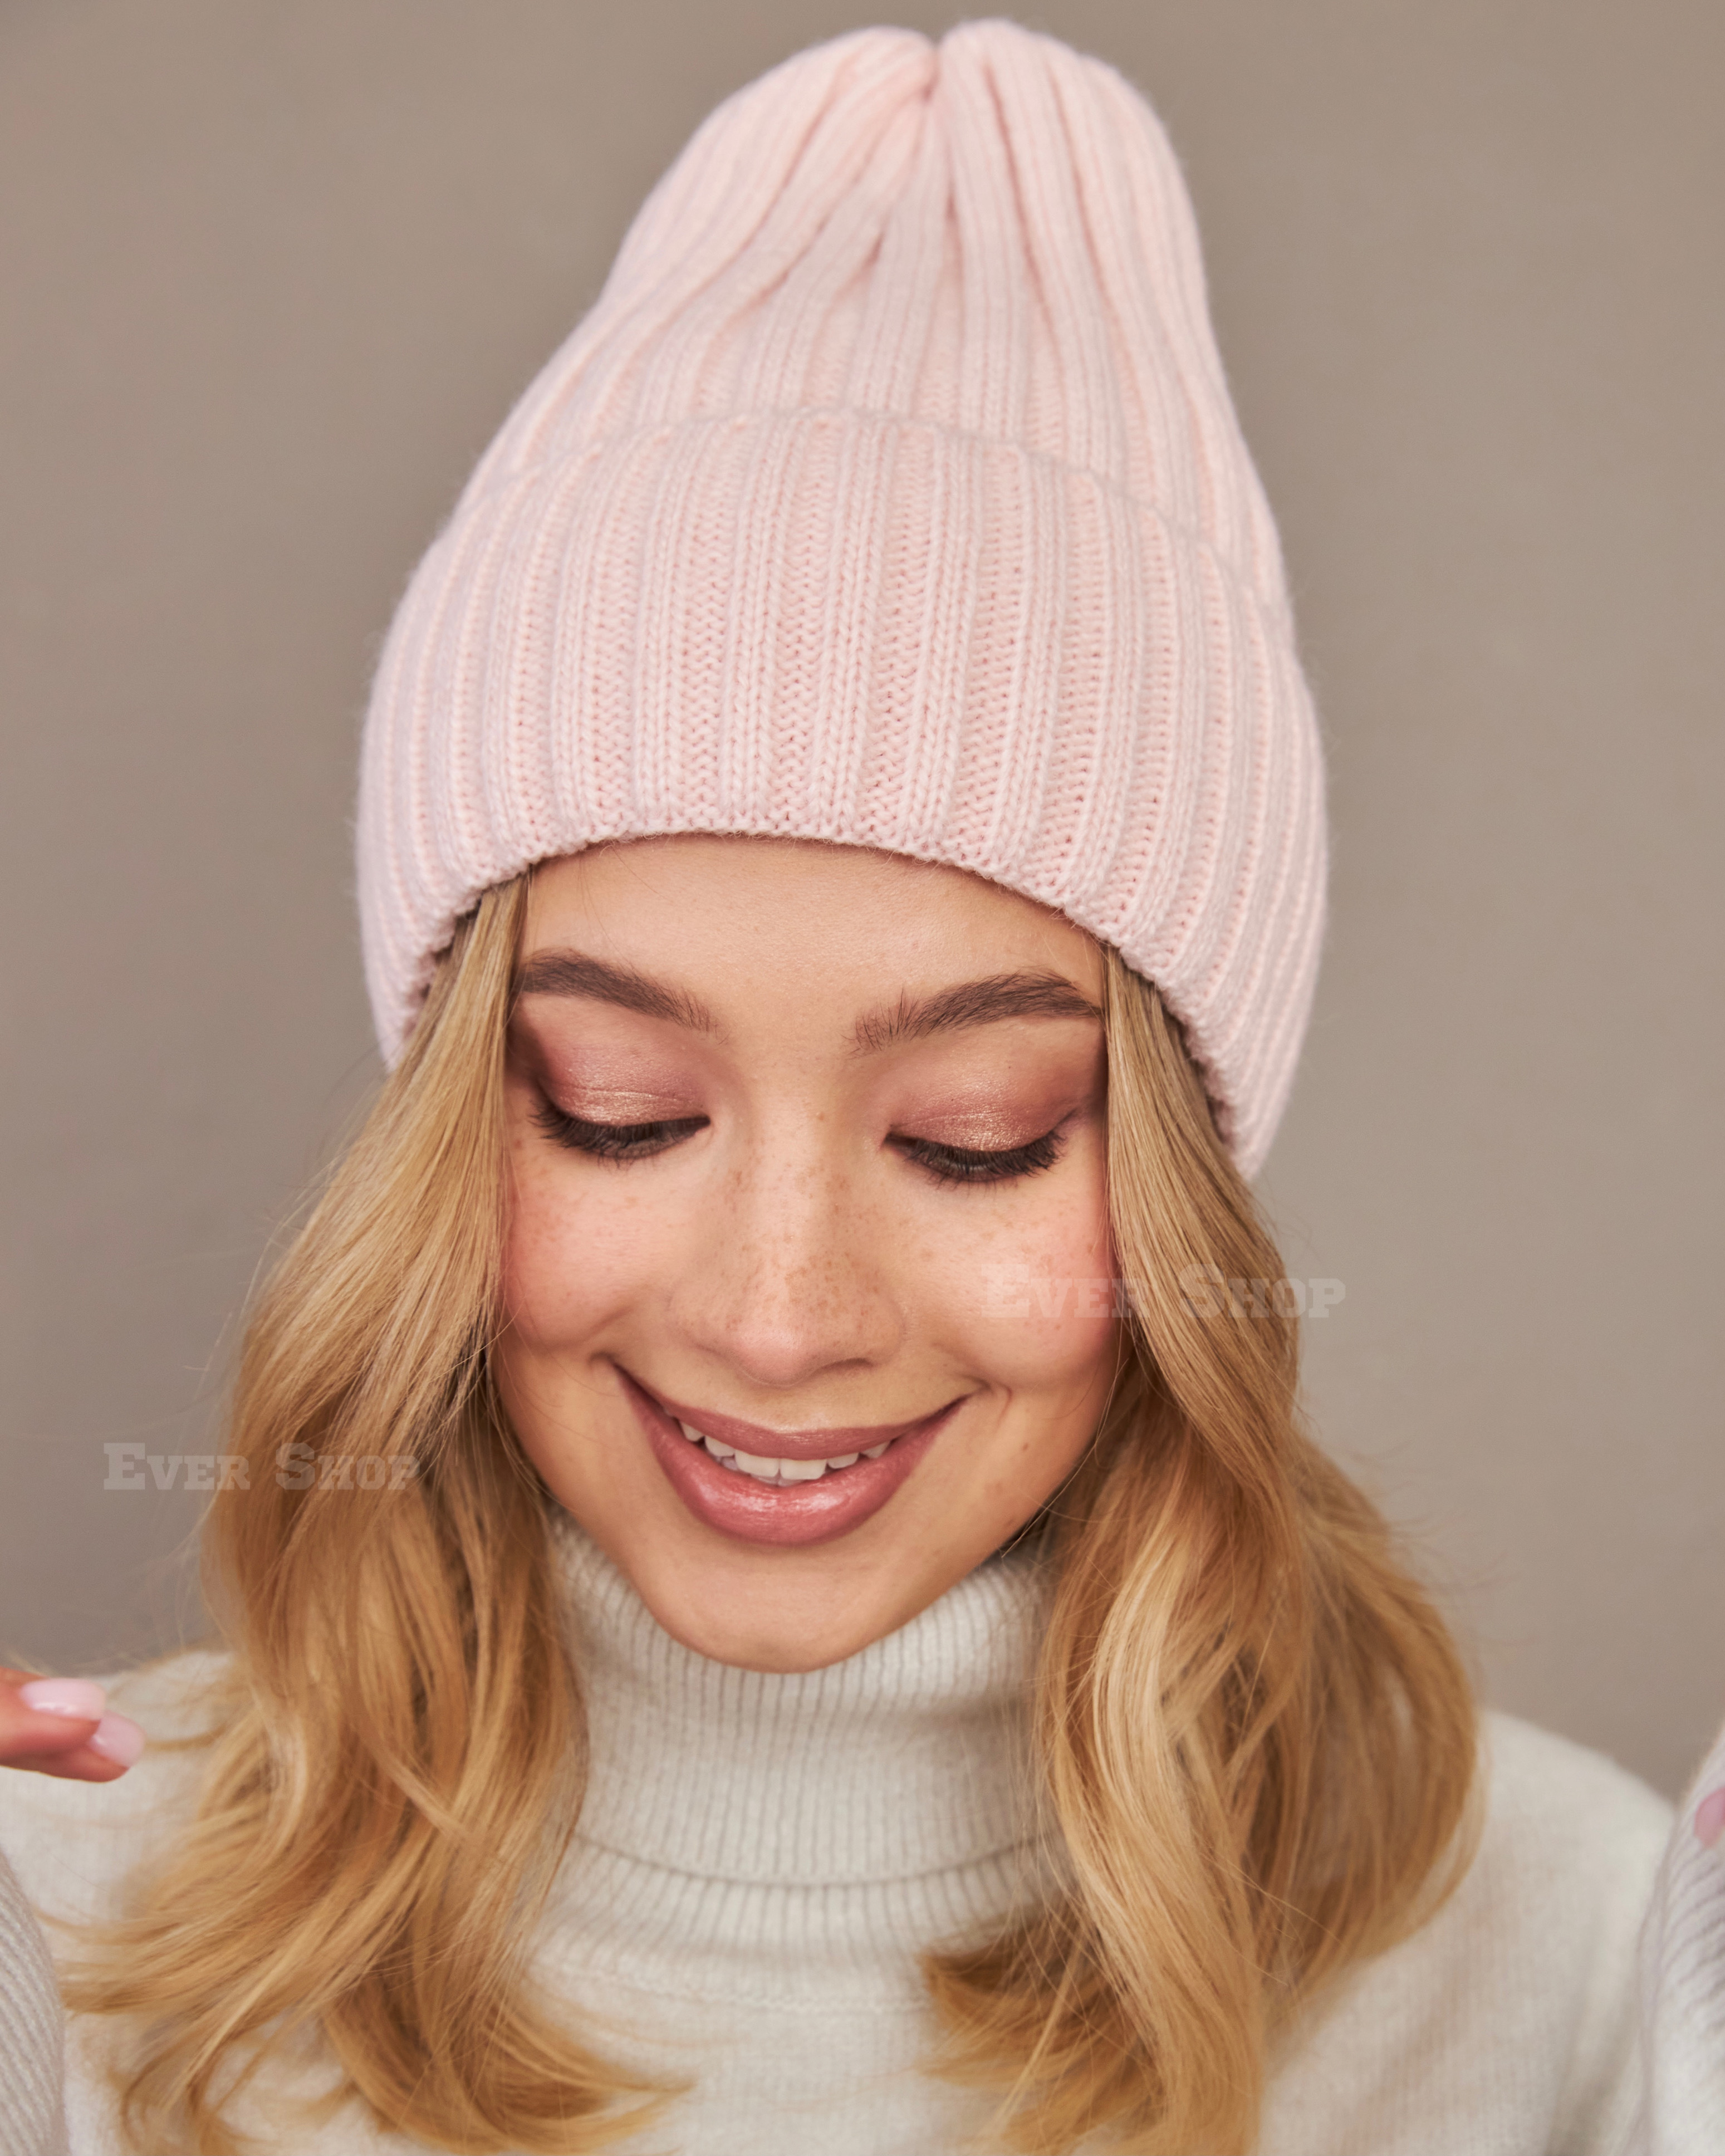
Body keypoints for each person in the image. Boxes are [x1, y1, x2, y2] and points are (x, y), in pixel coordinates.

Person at [0, 20, 1717, 2155]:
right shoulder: (57, 1914)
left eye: (972, 1136)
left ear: (1177, 1182)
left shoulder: (1581, 1963)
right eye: (617, 1106)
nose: (779, 1315)